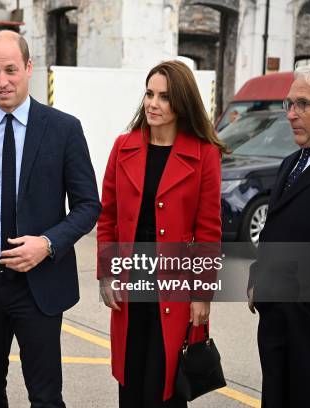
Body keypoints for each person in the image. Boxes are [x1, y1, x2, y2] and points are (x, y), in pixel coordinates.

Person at [0, 30, 101, 407]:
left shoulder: (64, 129)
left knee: (46, 397)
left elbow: (88, 205)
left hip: (40, 285)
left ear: (29, 68)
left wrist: (47, 245)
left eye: (11, 70)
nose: (1, 81)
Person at [97, 60, 224, 407]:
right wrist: (107, 274)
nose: (153, 103)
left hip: (175, 287)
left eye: (164, 97)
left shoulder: (204, 154)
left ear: (181, 103)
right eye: (149, 94)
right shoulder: (123, 146)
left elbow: (209, 230)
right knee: (131, 379)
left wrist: (202, 293)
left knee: (165, 385)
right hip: (131, 284)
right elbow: (107, 217)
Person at [247, 61, 310, 408]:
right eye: (288, 104)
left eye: (303, 104)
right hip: (279, 339)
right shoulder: (292, 162)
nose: (291, 114)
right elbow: (278, 231)